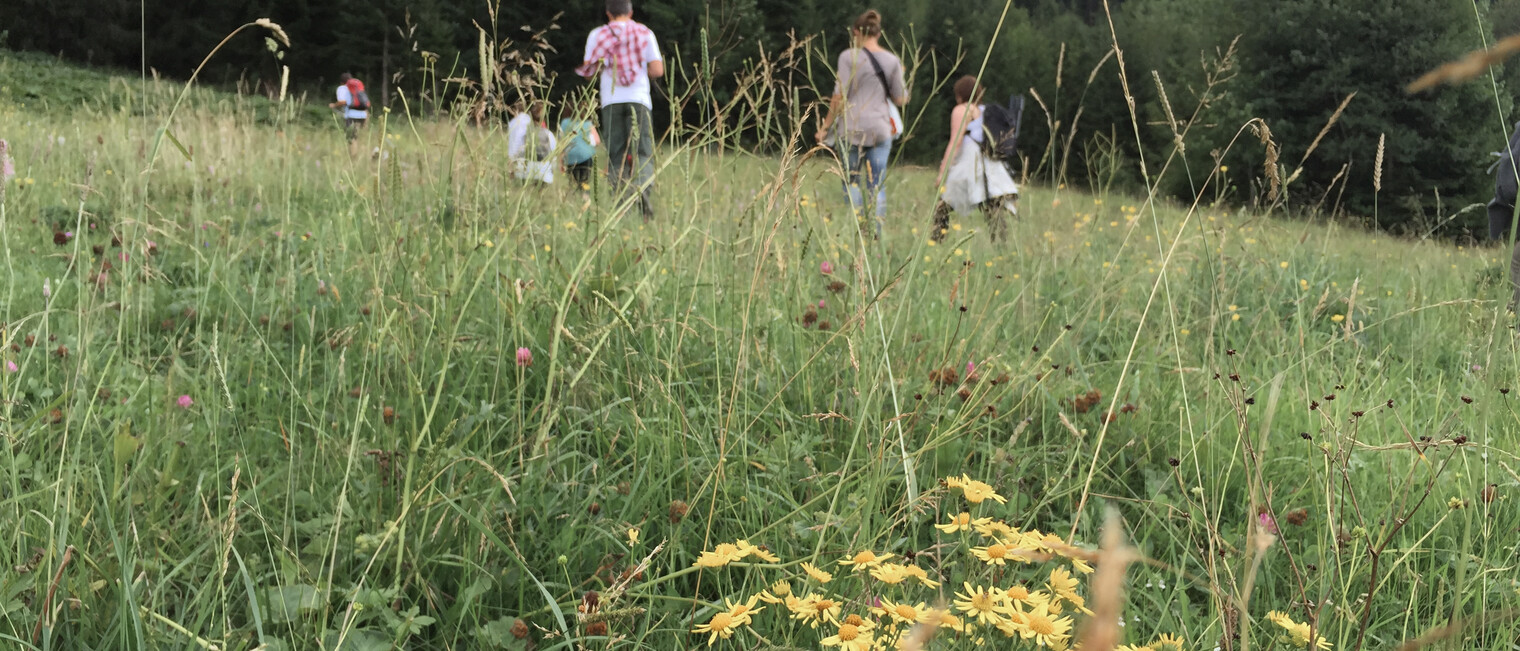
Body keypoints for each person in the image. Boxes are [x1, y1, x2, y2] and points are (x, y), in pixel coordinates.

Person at [815, 9, 908, 236]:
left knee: (852, 180)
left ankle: (858, 229)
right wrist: (902, 73)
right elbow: (901, 99)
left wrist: (825, 127)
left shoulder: (849, 56)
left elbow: (839, 96)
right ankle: (875, 232)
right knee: (877, 184)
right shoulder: (892, 60)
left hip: (852, 128)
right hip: (880, 129)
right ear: (878, 33)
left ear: (856, 32)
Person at [576, 0, 664, 219]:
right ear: (630, 12)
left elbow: (588, 71)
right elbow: (657, 69)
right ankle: (642, 190)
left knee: (616, 155)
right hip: (639, 99)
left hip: (611, 101)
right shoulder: (645, 33)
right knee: (642, 151)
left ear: (608, 13)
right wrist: (636, 69)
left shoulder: (597, 35)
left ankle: (620, 206)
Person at [931, 75, 1019, 243]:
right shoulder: (984, 110)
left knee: (944, 204)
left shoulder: (961, 110)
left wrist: (943, 172)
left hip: (970, 161)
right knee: (991, 206)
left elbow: (955, 142)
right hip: (989, 163)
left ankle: (936, 241)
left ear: (960, 93)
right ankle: (1002, 246)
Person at [559, 96, 602, 197]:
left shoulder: (564, 123)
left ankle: (573, 203)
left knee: (573, 183)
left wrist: (560, 161)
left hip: (570, 156)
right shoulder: (587, 123)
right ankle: (585, 201)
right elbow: (597, 141)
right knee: (584, 183)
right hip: (586, 155)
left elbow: (561, 143)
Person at [507, 101, 557, 184]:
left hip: (524, 173)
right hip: (544, 174)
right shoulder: (549, 134)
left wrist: (511, 169)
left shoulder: (524, 133)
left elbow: (515, 152)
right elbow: (554, 155)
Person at [328, 73, 369, 142]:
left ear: (341, 82)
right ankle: (364, 151)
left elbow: (343, 101)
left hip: (352, 115)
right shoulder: (356, 87)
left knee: (352, 139)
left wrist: (334, 105)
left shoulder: (342, 88)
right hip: (364, 113)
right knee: (362, 138)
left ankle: (353, 152)